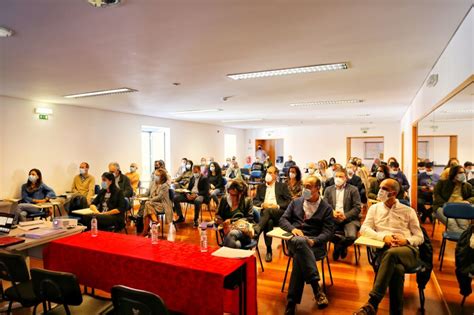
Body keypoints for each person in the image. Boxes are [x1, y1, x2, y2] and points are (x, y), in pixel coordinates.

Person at [354, 178, 423, 315]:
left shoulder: (408, 211)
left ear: (394, 193)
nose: (380, 191)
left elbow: (419, 237)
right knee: (397, 269)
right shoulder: (374, 209)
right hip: (383, 248)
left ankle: (372, 303)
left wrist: (406, 240)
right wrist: (383, 238)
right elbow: (364, 229)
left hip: (406, 250)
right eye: (380, 187)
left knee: (392, 254)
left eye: (384, 189)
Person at [280, 176, 334, 313]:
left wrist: (314, 241)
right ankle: (316, 288)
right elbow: (283, 220)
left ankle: (291, 302)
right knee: (300, 242)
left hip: (316, 245)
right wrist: (293, 229)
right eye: (304, 186)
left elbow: (328, 232)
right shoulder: (296, 202)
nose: (305, 189)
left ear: (318, 188)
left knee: (299, 258)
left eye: (309, 186)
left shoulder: (326, 208)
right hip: (295, 240)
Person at [253, 166, 292, 262]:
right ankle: (269, 250)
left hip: (279, 214)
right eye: (267, 172)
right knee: (269, 221)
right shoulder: (261, 187)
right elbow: (255, 200)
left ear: (276, 175)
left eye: (271, 173)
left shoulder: (282, 186)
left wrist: (277, 206)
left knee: (269, 211)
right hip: (266, 216)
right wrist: (262, 204)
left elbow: (289, 201)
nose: (268, 175)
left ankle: (257, 230)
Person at [323, 169, 361, 261]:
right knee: (324, 234)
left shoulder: (353, 189)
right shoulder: (328, 189)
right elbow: (324, 205)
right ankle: (341, 244)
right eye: (336, 176)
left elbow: (357, 207)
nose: (338, 178)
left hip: (349, 219)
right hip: (333, 218)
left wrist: (345, 215)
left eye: (341, 176)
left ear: (346, 178)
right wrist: (332, 212)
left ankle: (339, 246)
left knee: (351, 237)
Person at [433, 165, 474, 233]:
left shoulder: (467, 186)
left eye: (463, 172)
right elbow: (436, 196)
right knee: (451, 223)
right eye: (460, 173)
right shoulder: (442, 183)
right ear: (453, 174)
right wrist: (448, 205)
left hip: (459, 208)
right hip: (442, 207)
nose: (463, 174)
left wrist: (467, 201)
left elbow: (473, 196)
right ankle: (467, 239)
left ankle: (464, 240)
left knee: (464, 225)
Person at [215, 179, 255, 248]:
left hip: (243, 231)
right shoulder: (225, 199)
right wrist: (219, 220)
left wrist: (232, 221)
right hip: (227, 230)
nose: (231, 197)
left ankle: (225, 253)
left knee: (232, 234)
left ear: (241, 194)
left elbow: (249, 218)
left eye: (234, 195)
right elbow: (218, 214)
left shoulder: (247, 200)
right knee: (237, 245)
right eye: (230, 194)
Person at [140, 168, 173, 236]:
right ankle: (152, 224)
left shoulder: (165, 185)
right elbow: (147, 193)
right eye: (155, 175)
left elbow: (159, 197)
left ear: (162, 177)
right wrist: (139, 195)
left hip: (163, 204)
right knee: (147, 207)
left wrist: (150, 200)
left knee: (147, 204)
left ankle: (148, 228)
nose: (155, 176)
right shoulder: (153, 183)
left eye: (157, 175)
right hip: (153, 204)